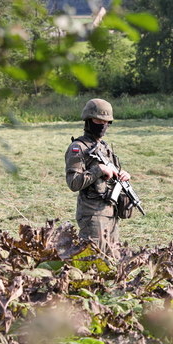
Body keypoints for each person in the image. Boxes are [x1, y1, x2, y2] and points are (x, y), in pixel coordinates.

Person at [65, 98, 132, 258]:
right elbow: (74, 183)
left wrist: (124, 176)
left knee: (113, 261)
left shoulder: (105, 147)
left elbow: (112, 178)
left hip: (111, 212)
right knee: (92, 260)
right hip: (92, 215)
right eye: (98, 120)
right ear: (88, 120)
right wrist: (98, 170)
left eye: (106, 121)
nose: (102, 125)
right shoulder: (78, 148)